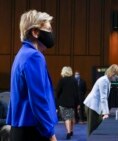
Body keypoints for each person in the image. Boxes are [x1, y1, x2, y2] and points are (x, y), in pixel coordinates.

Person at [6, 10, 57, 141]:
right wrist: (50, 134)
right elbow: (38, 99)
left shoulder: (22, 54)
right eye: (48, 29)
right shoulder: (33, 56)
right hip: (33, 131)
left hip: (21, 129)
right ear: (35, 32)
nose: (51, 34)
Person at [84, 64, 118, 136]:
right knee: (92, 128)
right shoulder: (104, 81)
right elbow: (103, 98)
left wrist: (104, 111)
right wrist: (105, 113)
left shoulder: (107, 81)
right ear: (113, 73)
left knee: (98, 125)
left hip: (96, 107)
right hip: (92, 106)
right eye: (117, 75)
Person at [56, 66, 80, 140]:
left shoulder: (61, 80)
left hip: (63, 102)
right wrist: (78, 103)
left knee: (67, 117)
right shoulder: (74, 80)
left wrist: (56, 102)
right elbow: (77, 93)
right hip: (72, 102)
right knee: (71, 116)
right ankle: (71, 131)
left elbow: (58, 92)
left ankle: (68, 132)